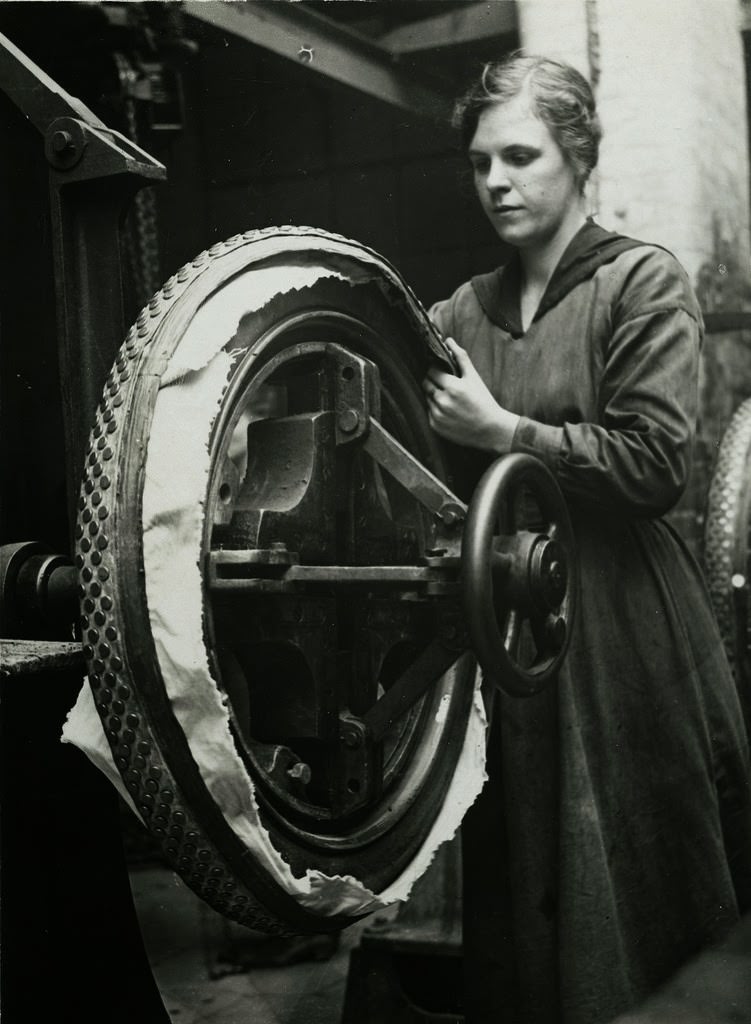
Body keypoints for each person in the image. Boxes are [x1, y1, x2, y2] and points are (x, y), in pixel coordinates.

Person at [422, 53, 751, 1024]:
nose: (497, 182)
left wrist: (505, 434)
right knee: (523, 873)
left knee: (640, 883)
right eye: (481, 162)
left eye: (520, 156)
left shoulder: (639, 285)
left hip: (622, 630)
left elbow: (655, 465)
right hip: (509, 630)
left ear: (578, 157)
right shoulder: (458, 317)